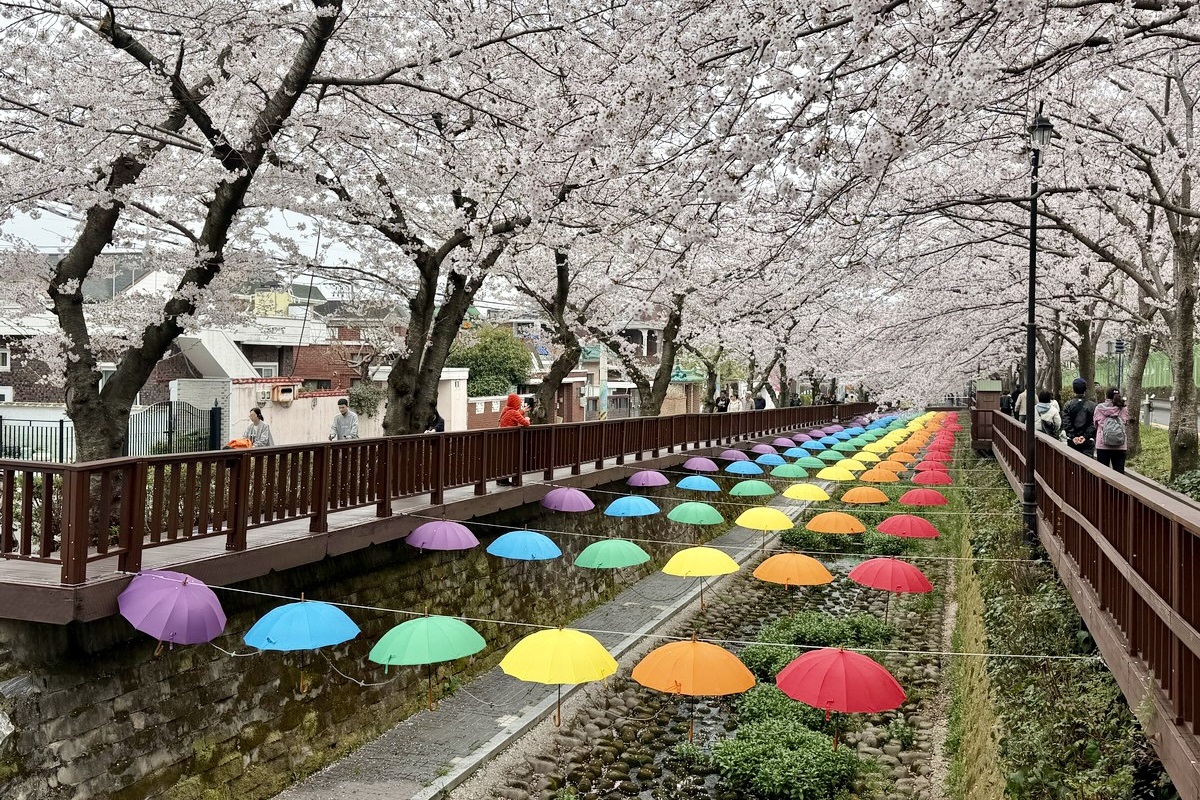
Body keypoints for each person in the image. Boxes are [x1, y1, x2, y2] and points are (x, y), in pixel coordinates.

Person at [1094, 387, 1130, 473]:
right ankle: (1117, 487)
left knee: (1102, 472)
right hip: (1120, 445)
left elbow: (1095, 424)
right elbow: (1125, 422)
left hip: (1103, 444)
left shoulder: (1099, 408)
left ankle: (1103, 487)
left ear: (1106, 396)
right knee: (1119, 472)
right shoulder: (1123, 408)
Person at [496, 394, 529, 486]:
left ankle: (500, 479)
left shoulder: (506, 409)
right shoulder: (514, 412)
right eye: (519, 402)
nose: (519, 404)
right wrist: (527, 418)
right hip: (509, 440)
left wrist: (523, 411)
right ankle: (504, 480)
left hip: (501, 438)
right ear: (516, 403)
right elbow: (525, 423)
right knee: (509, 459)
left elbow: (513, 416)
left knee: (503, 459)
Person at [1062, 377, 1097, 456]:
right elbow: (1094, 423)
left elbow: (1066, 422)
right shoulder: (1093, 406)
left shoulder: (1068, 405)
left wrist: (1073, 436)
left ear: (1073, 389)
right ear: (1085, 389)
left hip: (1072, 440)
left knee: (1072, 464)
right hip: (1088, 441)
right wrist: (1085, 436)